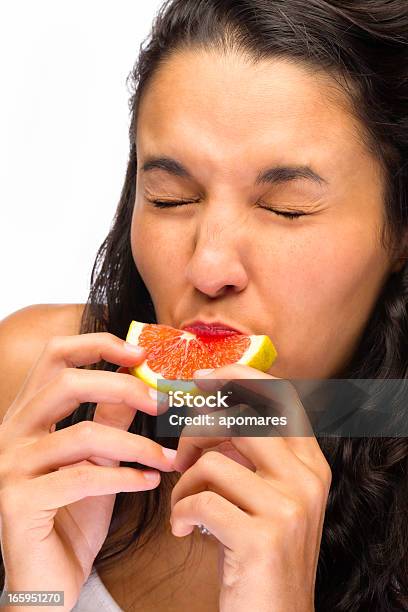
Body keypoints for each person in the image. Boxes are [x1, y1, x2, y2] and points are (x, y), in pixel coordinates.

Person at [1, 0, 408, 610]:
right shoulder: (34, 388)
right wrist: (33, 595)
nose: (208, 266)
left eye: (285, 209)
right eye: (170, 197)